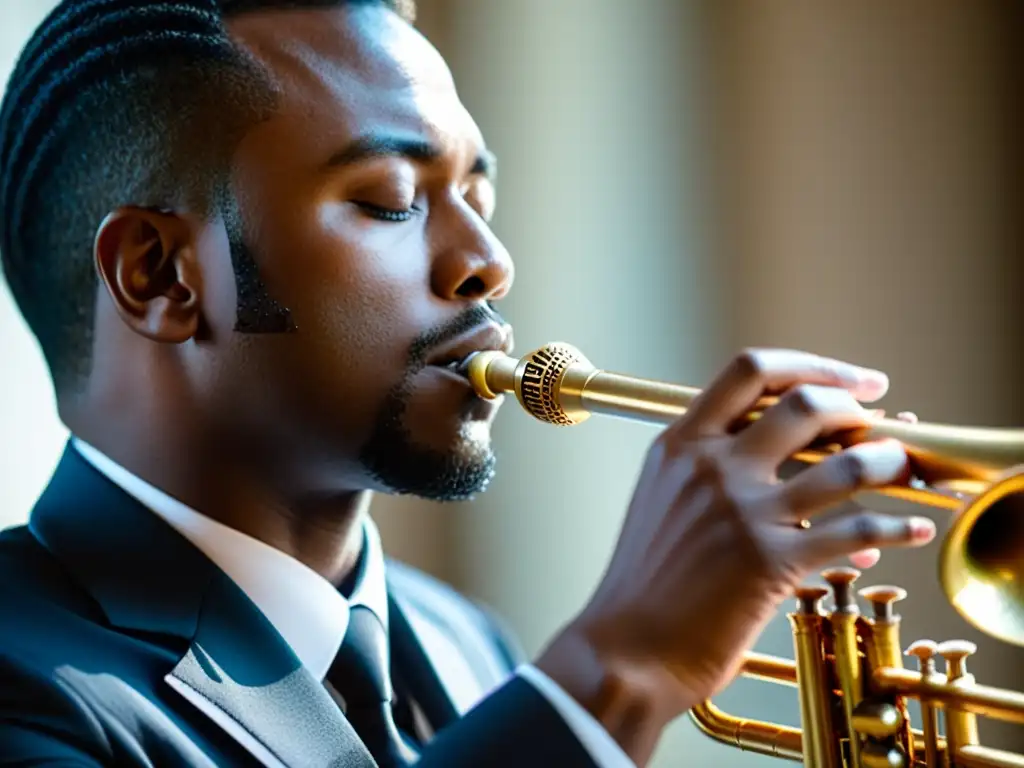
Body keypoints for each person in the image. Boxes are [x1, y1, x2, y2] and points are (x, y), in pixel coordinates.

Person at [0, 1, 937, 766]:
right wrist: (617, 668)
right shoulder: (21, 681)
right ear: (160, 277)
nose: (489, 263)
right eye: (391, 202)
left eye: (479, 202)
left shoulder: (467, 643)